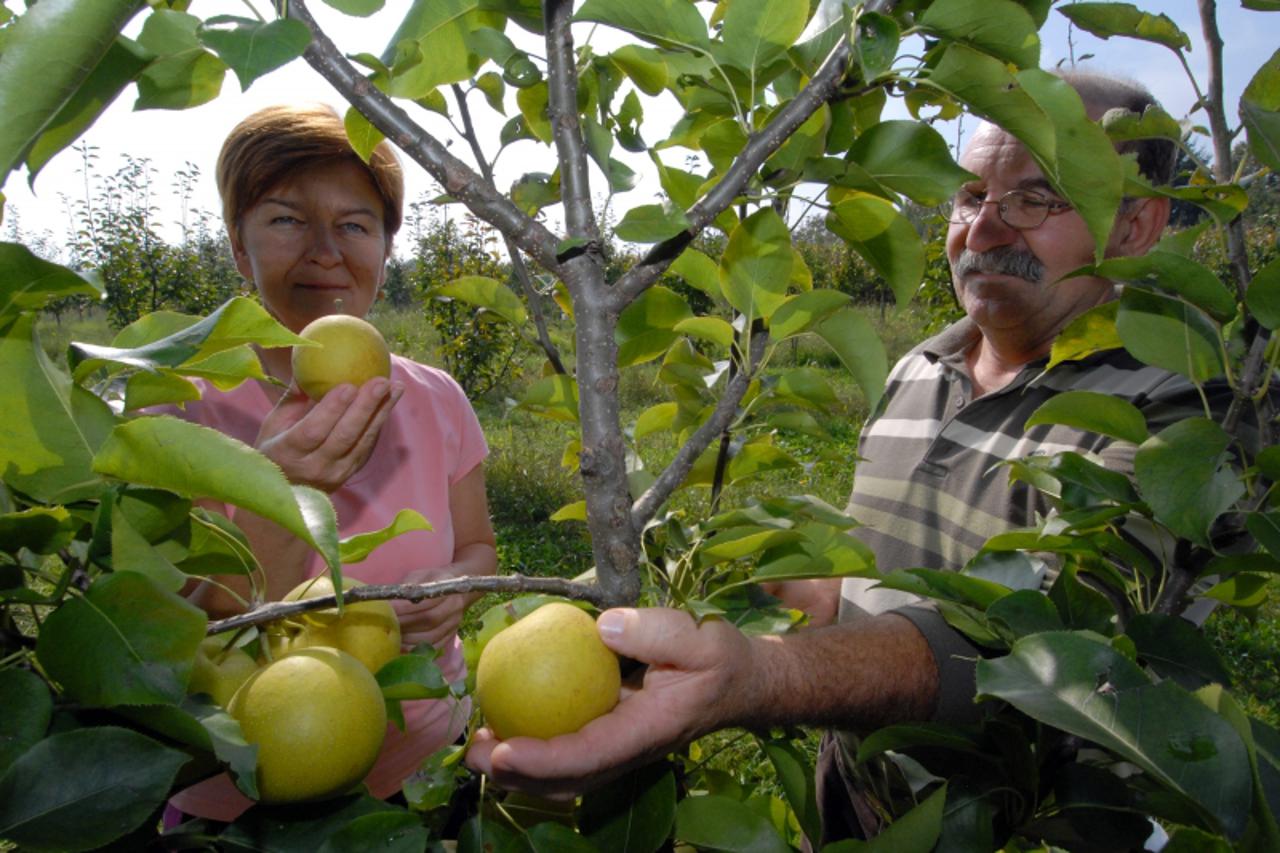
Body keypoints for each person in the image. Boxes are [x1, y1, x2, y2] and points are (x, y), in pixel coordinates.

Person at [465, 72, 1220, 839]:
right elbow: (860, 588)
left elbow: (1056, 654)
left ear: (1135, 227)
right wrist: (737, 594)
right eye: (969, 196)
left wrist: (762, 676)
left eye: (1036, 198)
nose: (983, 231)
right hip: (852, 805)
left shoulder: (1187, 414)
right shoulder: (919, 368)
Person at [166, 103, 497, 821]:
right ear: (236, 244)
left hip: (426, 767)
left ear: (385, 248)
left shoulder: (437, 398)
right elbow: (165, 643)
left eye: (354, 224)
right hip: (242, 794)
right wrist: (279, 492)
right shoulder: (175, 412)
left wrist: (454, 587)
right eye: (286, 219)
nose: (325, 251)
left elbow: (478, 545)